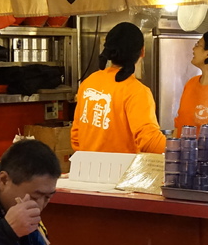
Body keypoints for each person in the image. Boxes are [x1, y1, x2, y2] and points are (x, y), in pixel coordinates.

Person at [71, 22, 166, 154]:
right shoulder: (136, 91)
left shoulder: (89, 82)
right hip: (122, 167)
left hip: (85, 165)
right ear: (143, 51)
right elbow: (149, 141)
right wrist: (182, 149)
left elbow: (76, 135)